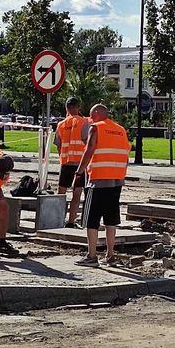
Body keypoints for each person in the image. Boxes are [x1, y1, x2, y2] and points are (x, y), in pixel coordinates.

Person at [73, 104, 131, 267]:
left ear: (97, 114)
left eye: (91, 116)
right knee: (110, 219)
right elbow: (126, 155)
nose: (90, 119)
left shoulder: (96, 128)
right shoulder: (120, 130)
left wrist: (79, 173)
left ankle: (92, 256)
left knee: (91, 219)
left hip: (97, 180)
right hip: (116, 181)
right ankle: (110, 255)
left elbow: (90, 149)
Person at [54, 97, 90, 228]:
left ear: (66, 108)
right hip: (79, 165)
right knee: (76, 194)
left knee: (61, 193)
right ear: (78, 107)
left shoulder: (61, 124)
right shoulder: (83, 122)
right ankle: (71, 221)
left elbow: (58, 145)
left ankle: (57, 219)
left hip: (65, 164)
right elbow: (87, 141)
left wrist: (62, 158)